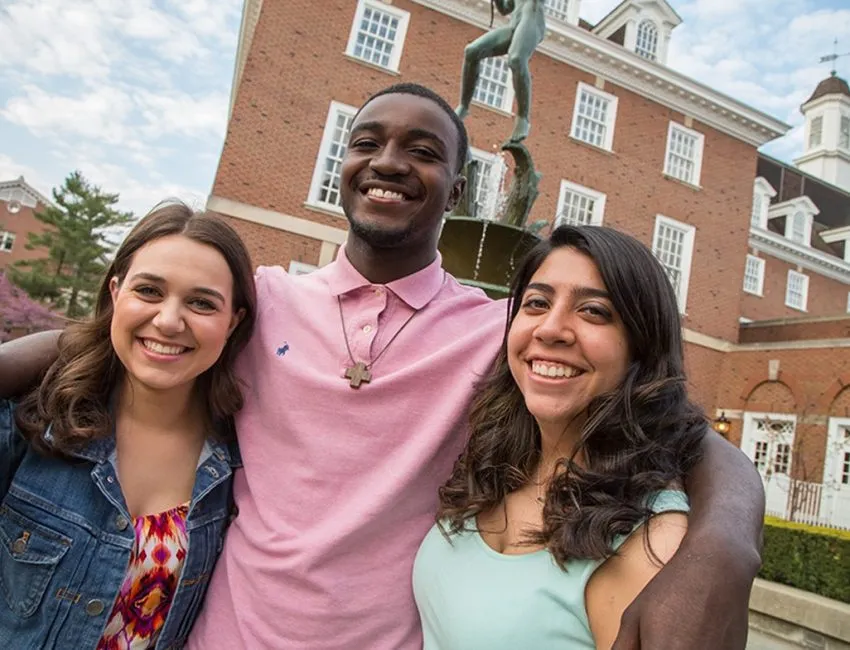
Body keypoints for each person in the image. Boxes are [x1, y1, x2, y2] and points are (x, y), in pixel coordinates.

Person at [0, 83, 764, 650]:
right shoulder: (259, 302)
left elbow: (673, 425)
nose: (388, 162)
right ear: (344, 164)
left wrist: (724, 545)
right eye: (366, 142)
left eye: (424, 151)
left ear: (458, 190)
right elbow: (116, 338)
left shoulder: (500, 331)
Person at [414, 224, 708, 649]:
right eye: (536, 303)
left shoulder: (647, 542)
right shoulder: (494, 464)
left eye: (593, 311)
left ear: (641, 347)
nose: (551, 329)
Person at [0, 202, 256, 649]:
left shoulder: (241, 460)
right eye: (150, 291)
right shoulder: (31, 419)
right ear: (116, 292)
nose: (169, 321)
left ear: (233, 320)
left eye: (201, 302)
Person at [456, 0, 546, 142]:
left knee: (516, 59)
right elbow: (505, 9)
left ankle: (523, 118)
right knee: (472, 51)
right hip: (513, 25)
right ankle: (464, 106)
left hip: (532, 19)